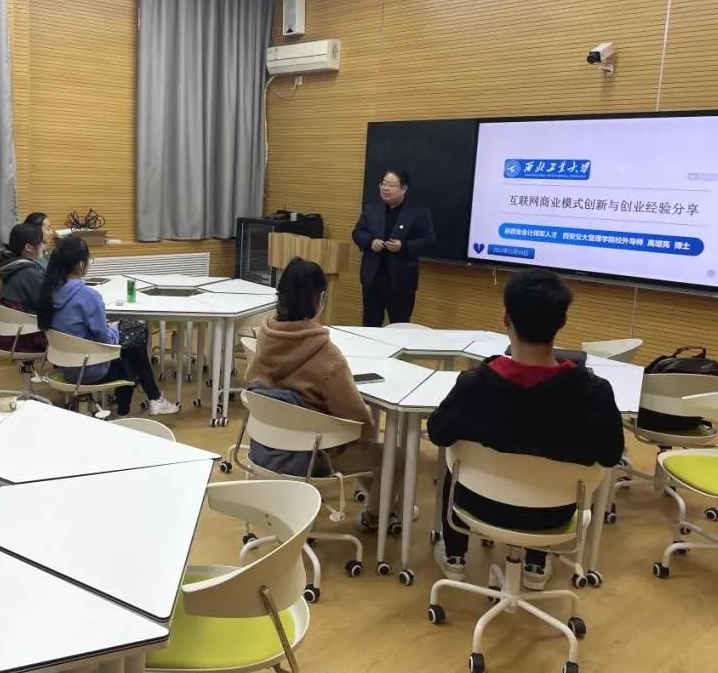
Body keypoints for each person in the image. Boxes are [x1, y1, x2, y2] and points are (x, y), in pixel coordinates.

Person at [426, 269, 624, 589]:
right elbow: (611, 455)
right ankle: (536, 562)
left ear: (506, 316)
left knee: (457, 461)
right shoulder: (594, 393)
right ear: (562, 322)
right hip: (553, 516)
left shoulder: (475, 384)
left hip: (477, 506)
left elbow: (438, 433)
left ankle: (455, 556)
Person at [245, 257, 406, 532]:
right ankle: (376, 516)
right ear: (319, 299)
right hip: (314, 454)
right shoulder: (327, 357)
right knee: (393, 457)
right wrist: (366, 431)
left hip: (265, 445)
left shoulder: (265, 335)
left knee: (364, 451)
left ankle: (383, 504)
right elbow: (358, 422)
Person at [37, 236, 179, 417]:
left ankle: (154, 398)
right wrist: (113, 328)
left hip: (65, 366)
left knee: (131, 340)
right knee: (135, 343)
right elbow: (104, 339)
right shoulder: (88, 296)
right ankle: (132, 408)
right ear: (80, 265)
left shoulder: (49, 292)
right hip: (90, 369)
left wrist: (110, 328)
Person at [352, 169, 435, 326]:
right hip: (373, 279)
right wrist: (370, 242)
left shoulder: (418, 212)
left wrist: (403, 246)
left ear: (403, 189)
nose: (385, 188)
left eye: (391, 185)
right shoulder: (371, 209)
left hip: (402, 282)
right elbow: (357, 232)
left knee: (399, 327)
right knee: (370, 326)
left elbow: (429, 240)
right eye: (383, 184)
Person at [0, 222, 49, 355]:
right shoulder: (29, 274)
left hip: (11, 338)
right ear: (29, 247)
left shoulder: (11, 268)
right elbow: (51, 305)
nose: (43, 247)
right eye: (41, 243)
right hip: (28, 340)